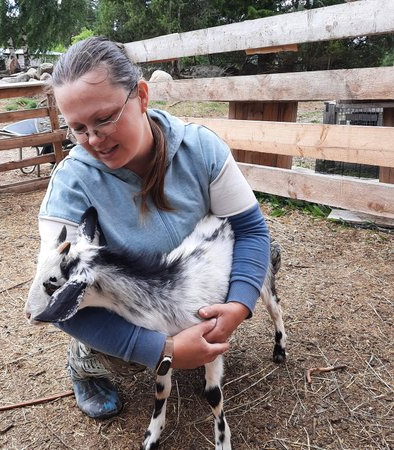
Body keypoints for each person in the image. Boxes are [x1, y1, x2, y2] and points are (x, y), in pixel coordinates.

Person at [37, 36, 270, 419]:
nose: (93, 140)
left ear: (141, 95)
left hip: (185, 283)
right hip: (133, 301)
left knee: (255, 264)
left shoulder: (201, 149)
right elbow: (54, 293)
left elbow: (250, 231)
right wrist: (163, 351)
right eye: (77, 128)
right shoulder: (70, 186)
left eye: (104, 118)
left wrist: (238, 305)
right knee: (107, 326)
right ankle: (86, 359)